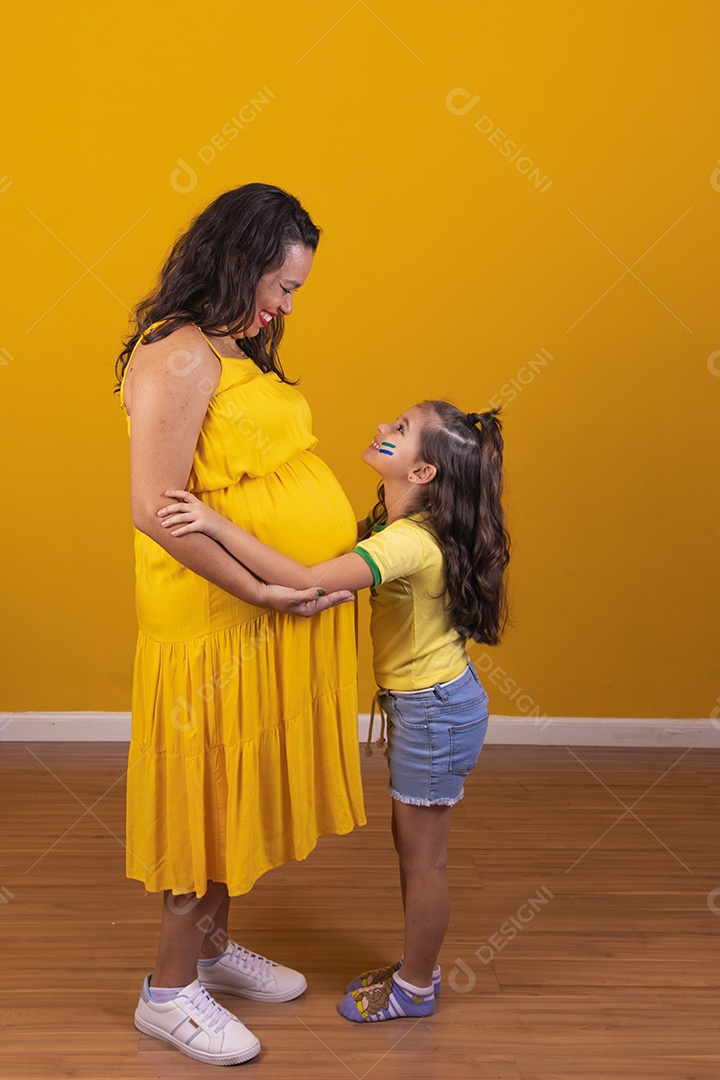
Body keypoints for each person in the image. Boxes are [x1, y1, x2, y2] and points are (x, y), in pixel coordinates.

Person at [114, 183, 366, 1066]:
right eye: (282, 286)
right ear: (237, 258)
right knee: (204, 798)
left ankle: (211, 954)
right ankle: (167, 991)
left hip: (253, 612)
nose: (285, 306)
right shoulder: (177, 356)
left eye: (294, 292)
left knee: (237, 787)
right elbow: (155, 508)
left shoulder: (231, 342)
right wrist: (263, 591)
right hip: (211, 619)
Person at [155, 398, 511, 1024]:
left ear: (423, 474)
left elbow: (309, 579)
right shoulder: (410, 529)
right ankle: (413, 969)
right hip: (431, 707)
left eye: (400, 432)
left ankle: (417, 986)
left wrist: (213, 523)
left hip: (435, 713)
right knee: (413, 852)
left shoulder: (406, 543)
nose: (382, 427)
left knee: (423, 859)